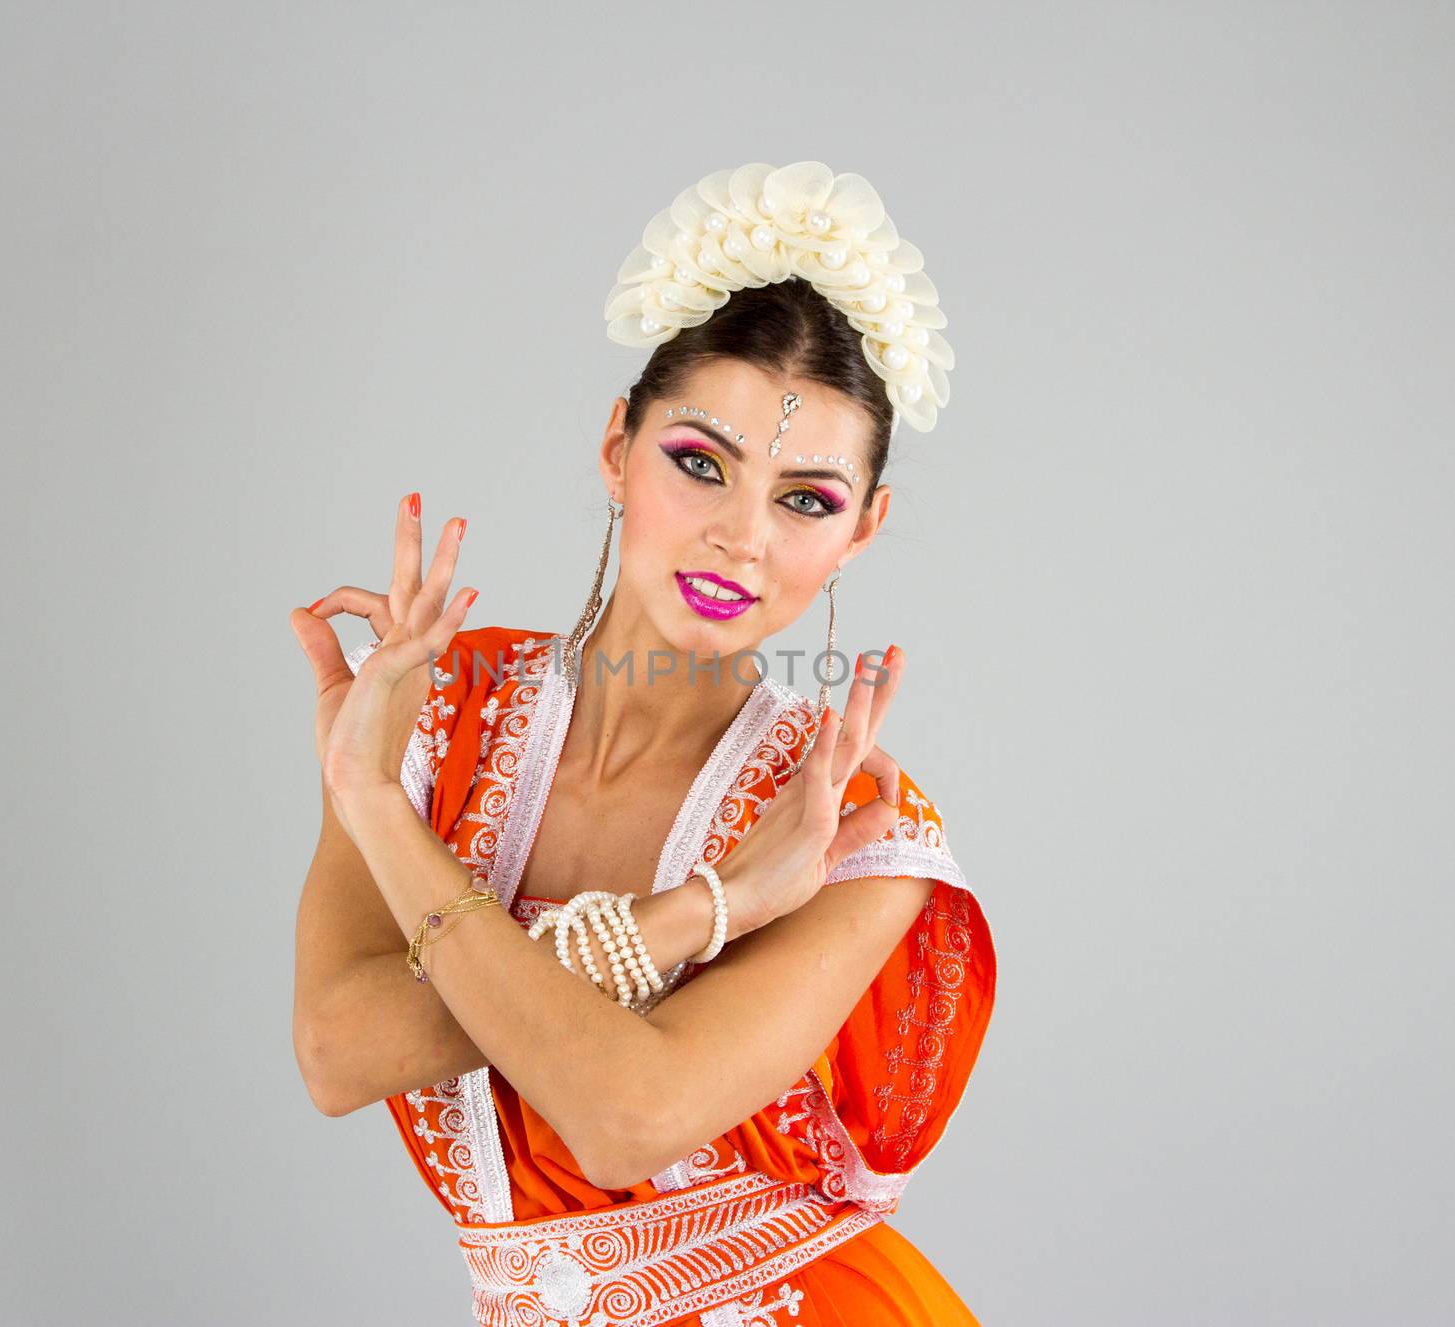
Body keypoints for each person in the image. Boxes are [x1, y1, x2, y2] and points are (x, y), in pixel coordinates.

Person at [288, 161, 997, 1327]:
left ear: (861, 531)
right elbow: (335, 1052)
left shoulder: (851, 822)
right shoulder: (439, 704)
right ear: (618, 446)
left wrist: (380, 811)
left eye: (804, 500)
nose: (738, 539)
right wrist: (695, 914)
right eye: (700, 463)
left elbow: (625, 1116)